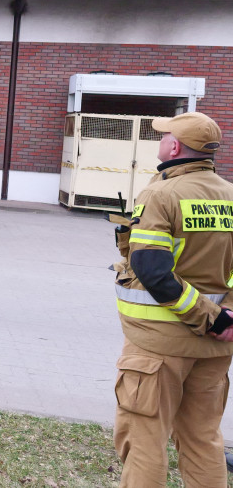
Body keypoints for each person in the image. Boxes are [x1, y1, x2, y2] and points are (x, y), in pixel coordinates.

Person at [112, 111, 233, 486]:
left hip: (158, 348)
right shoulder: (230, 194)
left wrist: (208, 316)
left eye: (163, 137)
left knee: (145, 440)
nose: (160, 142)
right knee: (202, 439)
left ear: (175, 147)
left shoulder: (161, 193)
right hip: (216, 347)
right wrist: (225, 314)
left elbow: (153, 271)